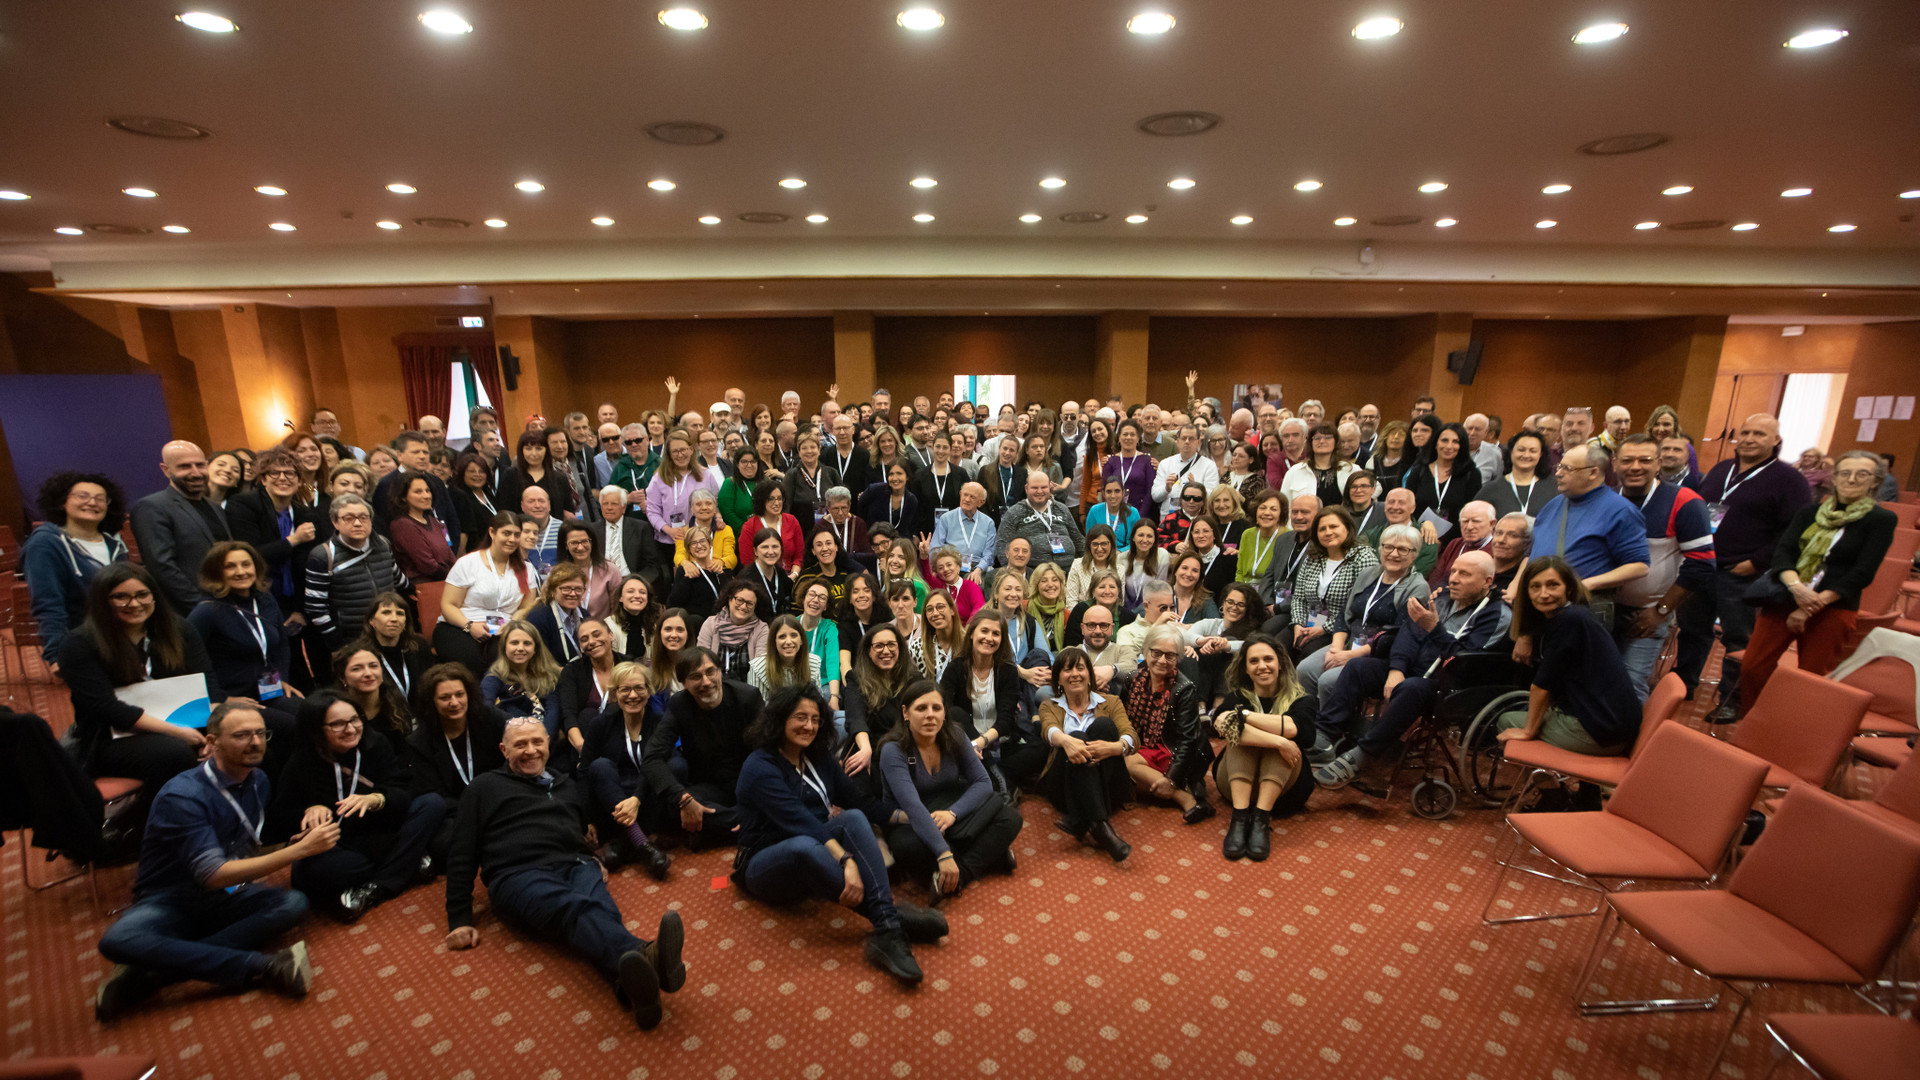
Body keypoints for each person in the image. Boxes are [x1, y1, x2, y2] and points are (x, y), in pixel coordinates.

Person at [443, 715, 687, 1032]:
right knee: (577, 907)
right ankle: (647, 954)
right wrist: (459, 918)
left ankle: (635, 991)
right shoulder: (483, 788)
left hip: (575, 864)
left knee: (602, 910)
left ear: (548, 744)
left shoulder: (564, 784)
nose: (531, 750)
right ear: (504, 750)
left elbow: (576, 830)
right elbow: (461, 851)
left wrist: (591, 858)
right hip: (517, 873)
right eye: (520, 744)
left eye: (537, 742)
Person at [92, 702, 326, 1024]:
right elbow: (212, 875)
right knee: (117, 940)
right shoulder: (183, 796)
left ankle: (154, 974)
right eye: (242, 735)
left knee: (294, 903)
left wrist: (304, 823)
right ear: (213, 742)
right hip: (170, 898)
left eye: (260, 733)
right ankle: (261, 965)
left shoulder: (258, 780)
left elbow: (249, 837)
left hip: (224, 895)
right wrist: (296, 852)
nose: (255, 742)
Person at [733, 685, 946, 984]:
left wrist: (906, 816)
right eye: (800, 717)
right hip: (766, 865)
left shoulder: (817, 756)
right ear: (779, 719)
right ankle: (889, 920)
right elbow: (799, 821)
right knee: (804, 846)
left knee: (854, 818)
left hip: (818, 850)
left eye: (815, 719)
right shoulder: (760, 766)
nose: (809, 726)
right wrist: (845, 860)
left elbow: (858, 802)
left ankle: (887, 926)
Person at [1313, 551, 1510, 791]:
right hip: (1414, 670)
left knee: (1412, 688)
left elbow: (1464, 662)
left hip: (1452, 685)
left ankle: (1362, 755)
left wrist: (1434, 629)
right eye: (1453, 571)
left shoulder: (1498, 615)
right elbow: (1407, 634)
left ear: (1487, 581)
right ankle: (1323, 736)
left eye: (1465, 574)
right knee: (1358, 667)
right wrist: (1396, 669)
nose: (1454, 579)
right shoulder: (1442, 598)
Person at [1676, 414, 1813, 722]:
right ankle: (1684, 682)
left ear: (1776, 440)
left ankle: (1732, 699)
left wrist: (1758, 562)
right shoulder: (1721, 469)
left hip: (1742, 571)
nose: (1750, 439)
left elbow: (1794, 532)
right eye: (1746, 432)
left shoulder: (1789, 480)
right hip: (1702, 564)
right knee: (1692, 628)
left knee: (1738, 638)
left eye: (1759, 434)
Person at [1739, 450, 1897, 713]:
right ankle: (1759, 720)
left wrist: (1809, 606)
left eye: (1862, 474)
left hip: (1832, 607)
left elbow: (1862, 572)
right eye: (1845, 473)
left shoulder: (1880, 520)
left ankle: (1794, 729)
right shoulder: (1809, 513)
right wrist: (1797, 589)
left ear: (1875, 481)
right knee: (1752, 667)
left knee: (1810, 680)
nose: (1852, 479)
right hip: (1785, 597)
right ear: (1834, 478)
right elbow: (1783, 554)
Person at [266, 691, 445, 920]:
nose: (350, 729)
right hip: (343, 844)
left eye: (354, 720)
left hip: (383, 831)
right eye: (337, 724)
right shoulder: (301, 762)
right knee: (309, 873)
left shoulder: (375, 743)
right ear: (316, 728)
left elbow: (405, 789)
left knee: (432, 804)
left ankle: (375, 888)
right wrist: (309, 810)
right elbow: (277, 821)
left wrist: (378, 799)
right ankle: (406, 865)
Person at [60, 564, 216, 789]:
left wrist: (216, 732)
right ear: (103, 601)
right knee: (175, 752)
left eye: (142, 594)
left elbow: (207, 680)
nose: (134, 604)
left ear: (154, 596)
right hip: (111, 737)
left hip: (185, 722)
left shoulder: (178, 629)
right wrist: (179, 733)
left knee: (248, 732)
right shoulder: (79, 644)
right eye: (121, 597)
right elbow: (106, 708)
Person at [878, 680, 1024, 904]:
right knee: (906, 847)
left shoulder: (955, 734)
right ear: (906, 713)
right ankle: (991, 856)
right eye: (921, 708)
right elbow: (913, 807)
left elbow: (983, 782)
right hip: (912, 820)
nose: (930, 715)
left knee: (1010, 818)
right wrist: (943, 853)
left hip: (951, 809)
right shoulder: (892, 750)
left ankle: (960, 875)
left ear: (944, 712)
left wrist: (952, 814)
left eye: (936, 708)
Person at [1495, 558, 1643, 765]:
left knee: (1507, 720)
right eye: (1535, 587)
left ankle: (1547, 785)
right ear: (1526, 592)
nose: (1543, 594)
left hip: (1599, 733)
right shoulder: (1577, 614)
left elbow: (1542, 687)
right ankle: (1566, 785)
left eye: (1553, 585)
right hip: (1613, 724)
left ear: (1569, 588)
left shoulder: (1568, 621)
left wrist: (1528, 731)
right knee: (1533, 712)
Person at [1611, 435, 1717, 700]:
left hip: (1647, 613)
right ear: (1615, 464)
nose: (1635, 467)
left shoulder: (1685, 501)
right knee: (1595, 679)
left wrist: (1661, 610)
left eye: (1645, 460)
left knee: (1631, 686)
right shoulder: (1604, 500)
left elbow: (1702, 564)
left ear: (1658, 464)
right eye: (1627, 460)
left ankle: (1634, 730)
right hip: (1602, 610)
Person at [1209, 634, 1315, 861]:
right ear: (1246, 669)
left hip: (1284, 791)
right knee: (1242, 737)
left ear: (1280, 663)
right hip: (1235, 785)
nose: (1262, 666)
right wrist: (1279, 742)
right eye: (1254, 661)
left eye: (1268, 659)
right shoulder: (1237, 696)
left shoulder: (1301, 699)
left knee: (1267, 736)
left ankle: (1261, 820)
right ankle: (1239, 819)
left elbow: (1301, 731)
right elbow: (1221, 723)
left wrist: (1245, 715)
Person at [642, 648, 760, 849]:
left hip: (750, 782)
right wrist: (684, 799)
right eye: (695, 677)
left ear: (720, 672)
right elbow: (652, 757)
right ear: (684, 683)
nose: (706, 682)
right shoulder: (679, 705)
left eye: (710, 672)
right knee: (676, 804)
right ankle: (751, 824)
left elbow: (767, 751)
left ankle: (717, 830)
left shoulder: (747, 697)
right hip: (710, 786)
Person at [1524, 444, 1649, 629]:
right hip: (1538, 604)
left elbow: (1639, 566)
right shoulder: (1553, 505)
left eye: (1567, 468)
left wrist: (1586, 584)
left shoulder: (1621, 510)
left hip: (1585, 605)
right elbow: (1531, 552)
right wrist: (1517, 586)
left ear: (1593, 472)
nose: (1558, 473)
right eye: (1559, 467)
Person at [190, 542, 303, 739]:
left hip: (268, 689)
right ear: (216, 572)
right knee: (290, 726)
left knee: (314, 714)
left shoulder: (265, 600)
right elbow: (189, 660)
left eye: (246, 564)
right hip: (231, 698)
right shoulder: (206, 611)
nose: (241, 572)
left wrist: (282, 679)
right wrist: (221, 699)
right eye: (230, 566)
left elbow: (282, 644)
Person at [23, 470, 133, 671]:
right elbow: (47, 602)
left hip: (123, 641)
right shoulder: (45, 543)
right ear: (62, 502)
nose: (92, 503)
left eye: (100, 499)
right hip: (82, 644)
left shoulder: (115, 543)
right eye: (83, 496)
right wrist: (56, 654)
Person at [1035, 648, 1134, 862]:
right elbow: (1048, 730)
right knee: (1076, 736)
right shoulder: (1049, 706)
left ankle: (1084, 821)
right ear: (1058, 679)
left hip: (1108, 783)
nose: (1075, 674)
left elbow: (1130, 734)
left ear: (1090, 674)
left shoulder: (1111, 702)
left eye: (1080, 668)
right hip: (1063, 787)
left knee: (1104, 725)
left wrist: (1115, 747)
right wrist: (1066, 741)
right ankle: (1101, 826)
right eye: (1067, 669)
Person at [577, 661, 674, 880]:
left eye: (639, 688)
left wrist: (637, 799)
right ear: (614, 693)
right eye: (625, 689)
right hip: (613, 801)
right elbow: (584, 773)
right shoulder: (600, 725)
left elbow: (659, 765)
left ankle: (623, 846)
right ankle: (644, 843)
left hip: (648, 797)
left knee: (674, 767)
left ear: (649, 691)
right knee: (600, 766)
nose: (633, 695)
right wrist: (587, 819)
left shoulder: (660, 723)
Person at [1108, 625, 1214, 822]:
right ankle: (1185, 796)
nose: (1162, 660)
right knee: (1115, 756)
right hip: (1142, 745)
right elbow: (1122, 722)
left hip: (1172, 748)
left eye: (1170, 655)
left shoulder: (1184, 688)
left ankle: (1184, 797)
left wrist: (1172, 778)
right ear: (1145, 651)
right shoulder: (1133, 679)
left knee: (1126, 763)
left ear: (1178, 658)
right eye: (1156, 653)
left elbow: (1187, 740)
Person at [406, 663, 506, 867]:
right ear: (431, 702)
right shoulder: (419, 742)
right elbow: (434, 793)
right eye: (444, 698)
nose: (454, 702)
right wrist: (474, 812)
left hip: (497, 801)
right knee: (444, 844)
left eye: (460, 694)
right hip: (456, 813)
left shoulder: (490, 718)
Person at [131, 440, 232, 612]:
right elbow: (162, 567)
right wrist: (201, 607)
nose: (195, 473)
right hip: (190, 611)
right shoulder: (151, 507)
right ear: (166, 470)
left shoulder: (215, 508)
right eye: (184, 466)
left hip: (227, 602)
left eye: (200, 465)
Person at [303, 493, 410, 654]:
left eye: (363, 517)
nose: (358, 523)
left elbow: (397, 578)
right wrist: (336, 641)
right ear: (335, 522)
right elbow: (315, 607)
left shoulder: (383, 544)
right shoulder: (323, 555)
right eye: (349, 518)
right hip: (351, 639)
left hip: (388, 633)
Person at [435, 513, 534, 674]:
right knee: (471, 662)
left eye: (517, 535)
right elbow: (448, 605)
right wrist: (470, 626)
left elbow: (526, 608)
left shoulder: (526, 569)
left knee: (502, 661)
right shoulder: (468, 563)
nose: (512, 539)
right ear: (492, 532)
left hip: (503, 628)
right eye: (506, 533)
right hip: (461, 625)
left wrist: (511, 624)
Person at [1409, 422, 1482, 543]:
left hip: (1455, 542)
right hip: (1418, 539)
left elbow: (1470, 513)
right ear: (1436, 443)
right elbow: (1408, 506)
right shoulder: (1419, 470)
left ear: (1462, 446)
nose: (1449, 446)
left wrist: (1442, 541)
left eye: (1455, 442)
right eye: (1444, 440)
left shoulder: (1472, 474)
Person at [384, 472, 457, 583]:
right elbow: (428, 566)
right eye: (418, 492)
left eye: (427, 491)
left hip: (448, 581)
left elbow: (449, 553)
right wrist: (455, 577)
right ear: (403, 497)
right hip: (425, 586)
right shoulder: (402, 525)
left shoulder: (433, 521)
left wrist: (459, 573)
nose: (426, 496)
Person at [697, 579, 770, 682]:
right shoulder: (710, 624)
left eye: (749, 603)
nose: (743, 606)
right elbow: (701, 661)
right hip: (714, 685)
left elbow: (760, 670)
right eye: (739, 600)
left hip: (748, 688)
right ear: (730, 599)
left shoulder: (762, 629)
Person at [1483, 431, 1558, 521]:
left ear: (1540, 455)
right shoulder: (1491, 490)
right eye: (1521, 450)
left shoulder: (1555, 488)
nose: (1526, 455)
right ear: (1511, 451)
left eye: (1533, 451)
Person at [555, 519, 623, 618]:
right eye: (574, 543)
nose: (580, 547)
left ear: (592, 542)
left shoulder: (610, 570)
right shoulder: (557, 573)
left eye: (584, 541)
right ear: (566, 545)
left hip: (602, 626)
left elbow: (617, 611)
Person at [1428, 500, 1497, 594]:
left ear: (1492, 524)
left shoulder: (1497, 550)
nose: (1469, 527)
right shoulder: (1455, 544)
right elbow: (1436, 578)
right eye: (1465, 521)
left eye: (1476, 521)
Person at [1280, 423, 1355, 510]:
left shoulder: (1351, 470)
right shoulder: (1295, 472)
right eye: (1317, 438)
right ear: (1310, 443)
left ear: (1336, 441)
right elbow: (1284, 505)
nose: (1322, 441)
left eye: (1327, 437)